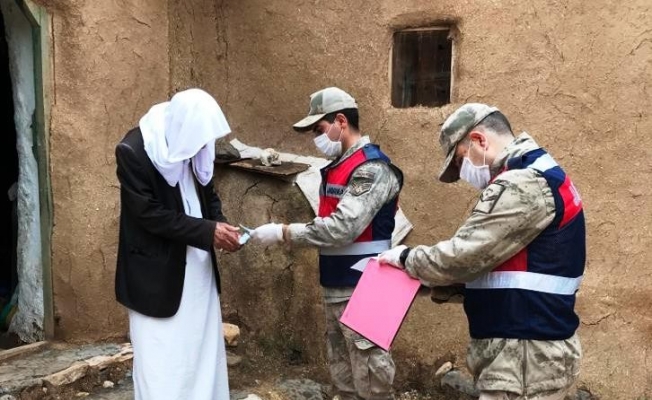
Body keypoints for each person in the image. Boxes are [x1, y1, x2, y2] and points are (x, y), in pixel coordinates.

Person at [379, 103, 585, 400]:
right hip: (530, 352)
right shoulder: (539, 173)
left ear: (479, 140)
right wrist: (435, 284)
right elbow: (512, 269)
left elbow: (464, 257)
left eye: (460, 160)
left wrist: (405, 258)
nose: (462, 173)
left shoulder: (522, 183)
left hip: (523, 360)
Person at [251, 87, 403, 400]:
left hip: (368, 286)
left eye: (319, 130)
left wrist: (284, 232)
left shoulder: (371, 168)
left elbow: (342, 228)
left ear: (341, 122)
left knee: (372, 385)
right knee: (344, 382)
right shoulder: (340, 166)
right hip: (339, 285)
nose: (317, 139)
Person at [114, 88, 241, 400]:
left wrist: (221, 225)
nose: (202, 148)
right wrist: (208, 231)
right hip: (155, 274)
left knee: (200, 351)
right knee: (163, 359)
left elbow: (208, 193)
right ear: (183, 131)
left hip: (198, 269)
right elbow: (149, 215)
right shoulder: (134, 151)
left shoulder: (195, 143)